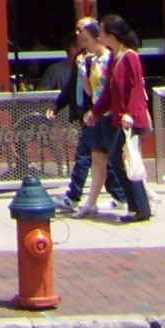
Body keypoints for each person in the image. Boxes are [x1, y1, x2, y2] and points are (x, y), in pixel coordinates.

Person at [82, 16, 152, 223]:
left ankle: (140, 207)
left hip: (132, 119)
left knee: (119, 158)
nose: (100, 37)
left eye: (102, 33)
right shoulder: (114, 58)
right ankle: (137, 207)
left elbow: (136, 89)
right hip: (121, 119)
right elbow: (109, 93)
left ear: (111, 35)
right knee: (119, 159)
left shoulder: (130, 57)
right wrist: (95, 112)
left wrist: (130, 113)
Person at [53, 17, 109, 213]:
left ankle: (74, 196)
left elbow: (99, 89)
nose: (78, 34)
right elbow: (71, 86)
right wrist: (57, 106)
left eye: (82, 31)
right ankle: (121, 195)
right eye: (77, 30)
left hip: (97, 114)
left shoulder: (101, 58)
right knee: (102, 158)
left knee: (87, 155)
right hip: (86, 113)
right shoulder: (81, 58)